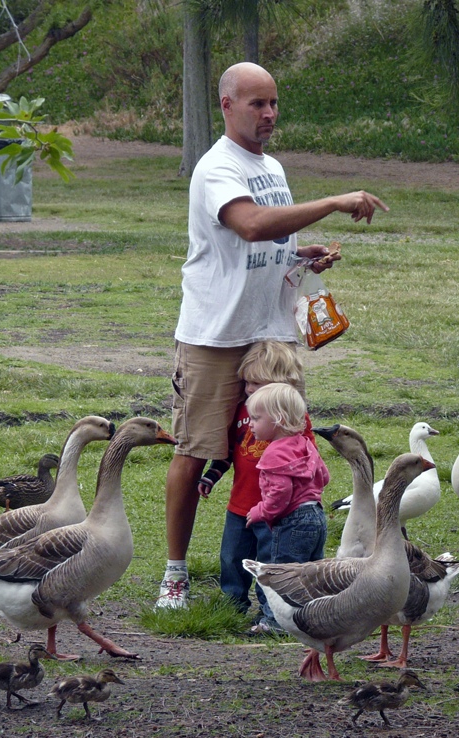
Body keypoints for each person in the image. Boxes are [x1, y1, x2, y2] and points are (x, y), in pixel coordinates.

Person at [158, 61, 387, 609]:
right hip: (216, 335)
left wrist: (299, 254)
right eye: (258, 104)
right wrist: (334, 201)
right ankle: (175, 575)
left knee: (276, 450)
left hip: (271, 336)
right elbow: (252, 223)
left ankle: (273, 575)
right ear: (227, 105)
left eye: (275, 103)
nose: (270, 114)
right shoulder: (216, 167)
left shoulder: (272, 167)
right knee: (198, 451)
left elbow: (267, 238)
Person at [196, 341, 309, 628]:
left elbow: (307, 458)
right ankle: (232, 605)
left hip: (276, 510)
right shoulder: (241, 413)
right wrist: (212, 475)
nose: (248, 389)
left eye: (256, 383)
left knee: (270, 561)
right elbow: (231, 454)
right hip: (240, 505)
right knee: (232, 556)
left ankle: (270, 614)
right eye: (246, 382)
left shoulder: (296, 419)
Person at [240, 382, 329, 633]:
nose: (251, 424)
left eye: (256, 418)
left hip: (293, 520)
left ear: (277, 419)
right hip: (316, 516)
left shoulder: (273, 453)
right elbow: (324, 475)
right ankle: (313, 617)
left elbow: (280, 494)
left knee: (281, 573)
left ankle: (275, 622)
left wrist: (261, 511)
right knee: (311, 572)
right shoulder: (305, 444)